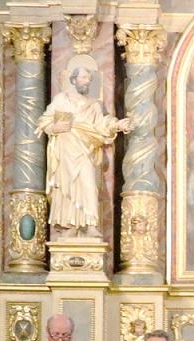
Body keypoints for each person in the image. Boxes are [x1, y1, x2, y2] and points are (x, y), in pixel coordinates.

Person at [37, 60, 132, 239]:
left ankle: (91, 224)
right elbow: (45, 120)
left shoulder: (94, 105)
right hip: (65, 151)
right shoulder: (61, 100)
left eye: (88, 78)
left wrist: (118, 124)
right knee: (67, 188)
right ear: (73, 80)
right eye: (82, 77)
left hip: (85, 150)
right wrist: (53, 128)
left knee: (89, 185)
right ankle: (70, 225)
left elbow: (102, 124)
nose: (86, 81)